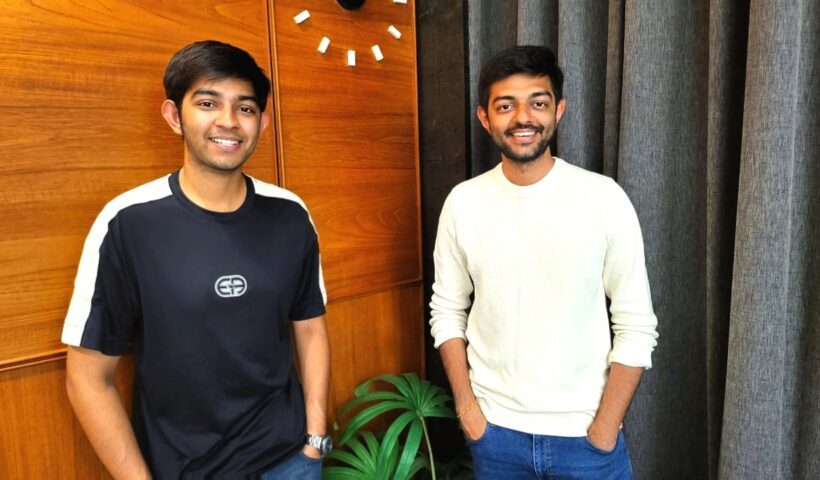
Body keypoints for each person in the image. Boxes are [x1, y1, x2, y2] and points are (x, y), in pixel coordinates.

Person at [62, 40, 331, 479]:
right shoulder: (127, 222)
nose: (228, 121)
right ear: (174, 116)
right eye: (208, 103)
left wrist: (314, 442)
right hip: (185, 469)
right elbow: (88, 378)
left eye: (245, 108)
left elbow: (310, 326)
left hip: (289, 460)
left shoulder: (290, 214)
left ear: (262, 122)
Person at [429, 45, 659, 479]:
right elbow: (447, 311)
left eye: (538, 103)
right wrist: (469, 412)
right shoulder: (463, 203)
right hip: (495, 435)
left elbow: (637, 325)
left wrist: (604, 428)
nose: (523, 118)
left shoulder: (603, 198)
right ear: (484, 118)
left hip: (586, 439)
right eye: (505, 106)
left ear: (559, 111)